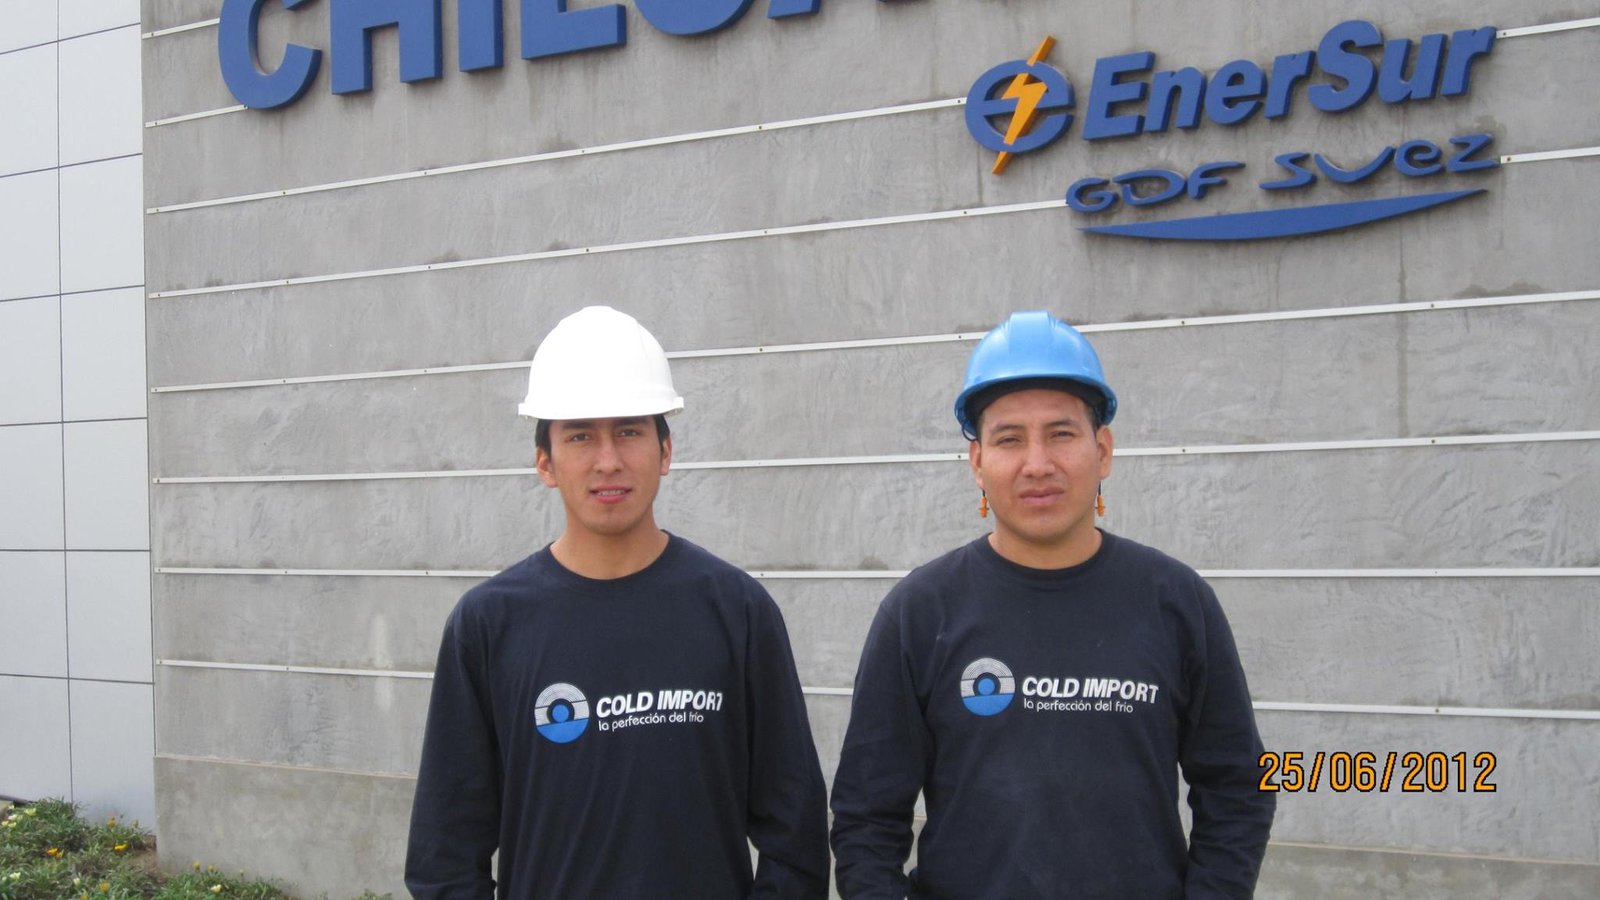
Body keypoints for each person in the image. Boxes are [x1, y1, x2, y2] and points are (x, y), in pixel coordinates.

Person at [829, 310, 1275, 899]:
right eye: (1009, 438)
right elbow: (865, 819)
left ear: (1103, 450)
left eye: (1061, 433)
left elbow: (1239, 785)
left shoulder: (1176, 601)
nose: (1037, 463)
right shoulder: (920, 613)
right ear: (977, 463)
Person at [405, 306, 829, 899]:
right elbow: (444, 856)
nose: (608, 459)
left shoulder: (737, 611)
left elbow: (796, 834)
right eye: (580, 435)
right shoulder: (488, 625)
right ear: (545, 463)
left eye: (629, 430)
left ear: (665, 450)